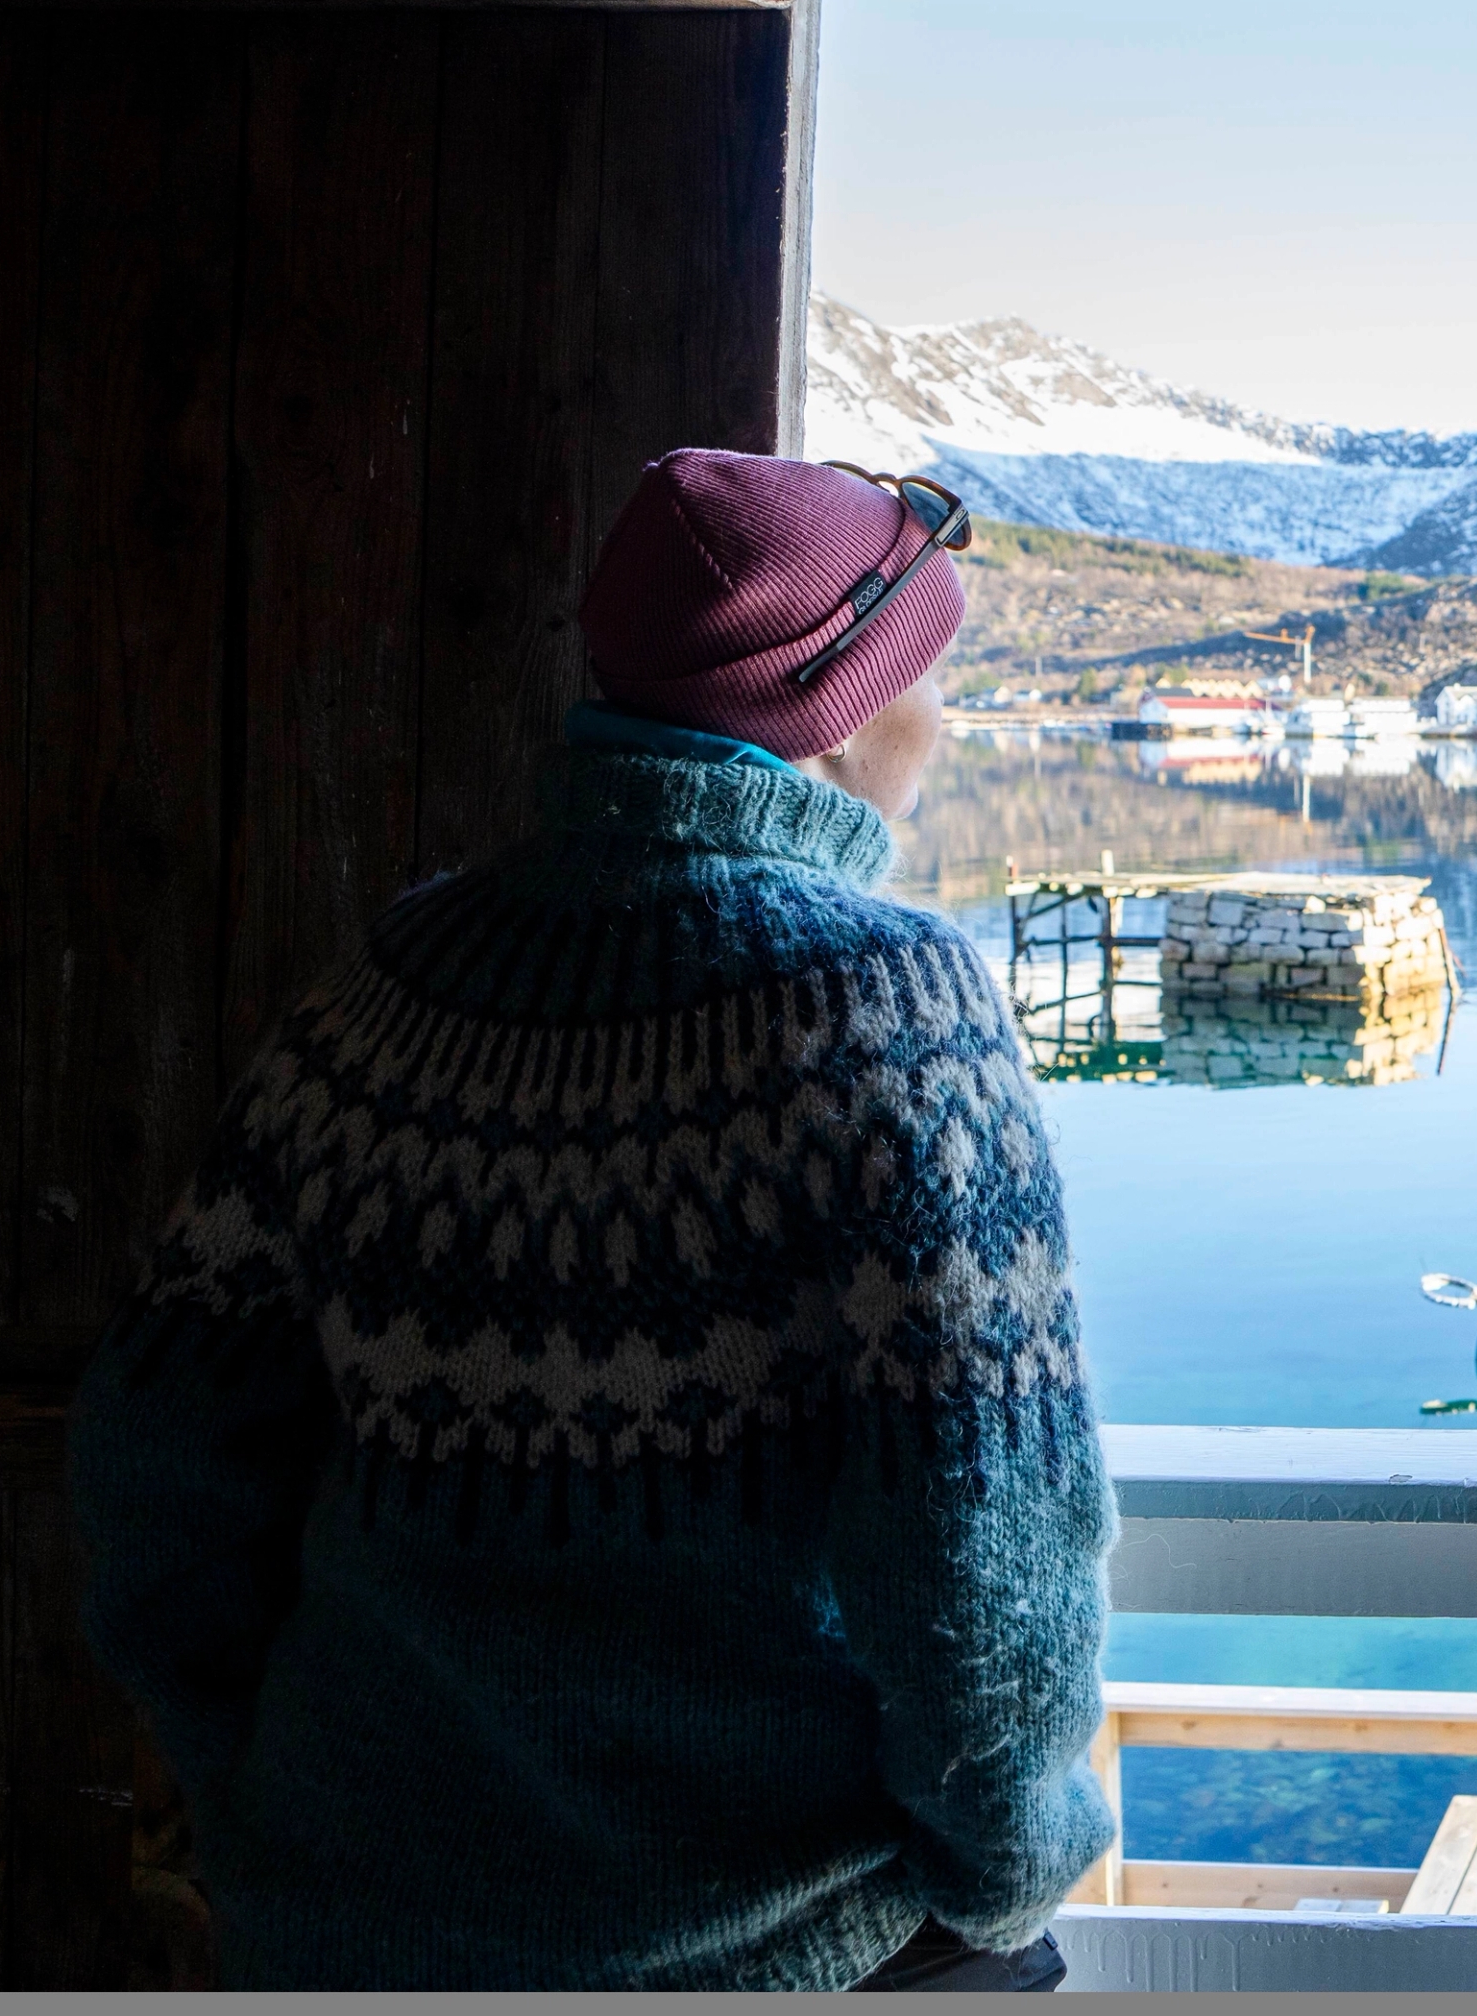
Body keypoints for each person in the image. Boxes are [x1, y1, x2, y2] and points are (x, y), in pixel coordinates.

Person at [67, 450, 1110, 1990]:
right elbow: (982, 1545)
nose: (942, 723)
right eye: (927, 675)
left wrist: (255, 1787)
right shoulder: (891, 1013)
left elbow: (154, 1455)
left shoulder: (387, 996)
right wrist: (1009, 1873)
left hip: (352, 1918)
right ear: (836, 714)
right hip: (774, 1940)